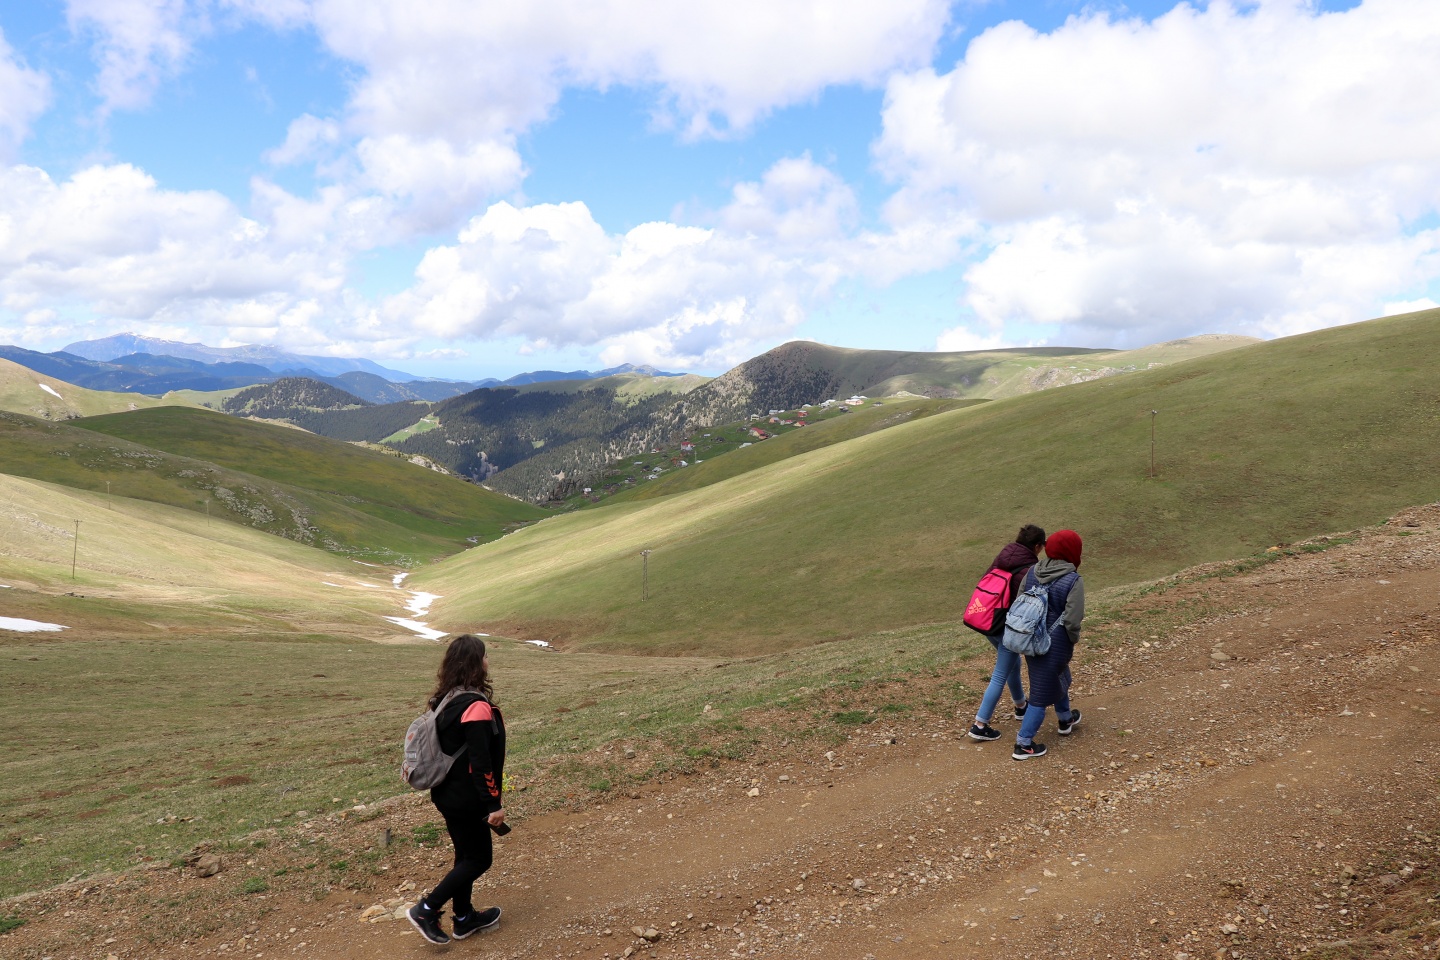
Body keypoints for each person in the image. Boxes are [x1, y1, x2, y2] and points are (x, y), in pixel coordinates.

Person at [407, 634, 507, 944]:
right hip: (468, 798)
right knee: (479, 860)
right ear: (476, 663)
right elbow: (481, 763)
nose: (488, 661)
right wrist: (493, 804)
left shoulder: (446, 698)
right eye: (485, 656)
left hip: (446, 794)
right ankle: (426, 909)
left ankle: (464, 918)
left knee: (465, 855)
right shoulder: (475, 706)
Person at [966, 524, 1046, 742]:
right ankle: (980, 724)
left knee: (1012, 663)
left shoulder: (1004, 555)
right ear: (1037, 546)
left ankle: (1021, 706)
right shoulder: (1028, 568)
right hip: (1006, 627)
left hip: (987, 621)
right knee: (1000, 673)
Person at [1013, 529, 1085, 761]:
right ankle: (1023, 743)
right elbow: (1074, 618)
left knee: (1057, 675)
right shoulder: (1073, 579)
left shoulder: (1033, 571)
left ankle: (1065, 718)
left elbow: (1020, 600)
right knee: (1042, 691)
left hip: (1030, 637)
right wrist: (1073, 638)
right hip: (1057, 641)